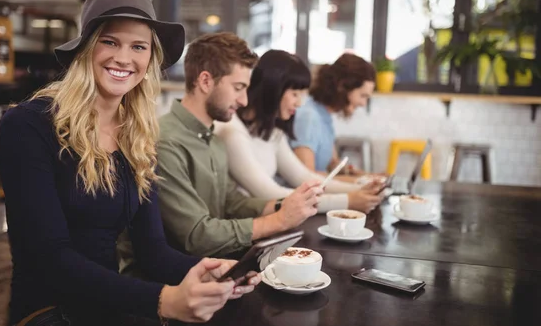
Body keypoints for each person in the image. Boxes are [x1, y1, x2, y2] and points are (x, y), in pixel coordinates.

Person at [0, 0, 259, 326]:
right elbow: (50, 258)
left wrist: (218, 270)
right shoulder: (28, 125)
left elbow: (153, 251)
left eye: (139, 46)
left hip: (108, 305)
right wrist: (164, 300)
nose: (124, 58)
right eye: (110, 42)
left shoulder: (137, 136)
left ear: (149, 59)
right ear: (86, 48)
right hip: (50, 319)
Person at [118, 32, 322, 265]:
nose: (245, 100)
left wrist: (281, 205)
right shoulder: (166, 143)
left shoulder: (213, 138)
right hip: (176, 277)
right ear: (205, 81)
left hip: (210, 266)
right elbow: (196, 236)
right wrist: (280, 220)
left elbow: (231, 203)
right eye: (238, 87)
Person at [214, 50, 383, 214]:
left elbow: (302, 177)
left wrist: (360, 189)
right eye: (295, 94)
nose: (300, 103)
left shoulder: (272, 132)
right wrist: (348, 200)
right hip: (247, 230)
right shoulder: (233, 132)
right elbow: (269, 193)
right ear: (274, 90)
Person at [291, 53, 379, 180]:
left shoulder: (324, 115)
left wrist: (367, 176)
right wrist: (360, 181)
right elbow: (306, 177)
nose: (363, 103)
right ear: (342, 87)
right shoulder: (309, 117)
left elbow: (332, 163)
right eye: (362, 96)